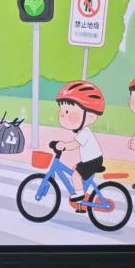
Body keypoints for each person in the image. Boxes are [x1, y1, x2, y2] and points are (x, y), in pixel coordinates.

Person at [53, 80, 106, 213]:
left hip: (93, 161)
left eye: (67, 110)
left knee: (76, 175)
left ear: (90, 116)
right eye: (62, 110)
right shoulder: (83, 132)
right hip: (91, 160)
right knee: (75, 169)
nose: (61, 114)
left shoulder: (84, 133)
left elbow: (74, 144)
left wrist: (63, 145)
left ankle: (80, 195)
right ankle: (81, 203)